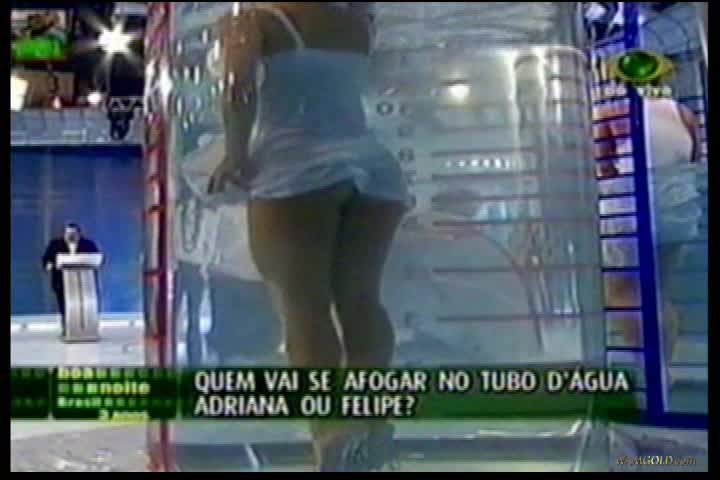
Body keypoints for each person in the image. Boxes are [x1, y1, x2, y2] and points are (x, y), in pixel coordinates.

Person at [207, 2, 408, 471]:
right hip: (374, 168)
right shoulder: (357, 22)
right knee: (362, 301)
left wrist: (235, 154)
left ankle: (330, 435)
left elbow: (237, 88)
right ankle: (372, 422)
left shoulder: (255, 20)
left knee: (302, 307)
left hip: (295, 166)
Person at [41, 223, 100, 337]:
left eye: (73, 233)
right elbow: (46, 259)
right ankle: (67, 330)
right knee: (65, 306)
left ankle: (90, 330)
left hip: (86, 282)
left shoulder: (88, 244)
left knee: (88, 304)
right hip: (62, 281)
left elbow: (96, 258)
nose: (70, 236)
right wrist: (48, 264)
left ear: (78, 234)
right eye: (68, 233)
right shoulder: (55, 244)